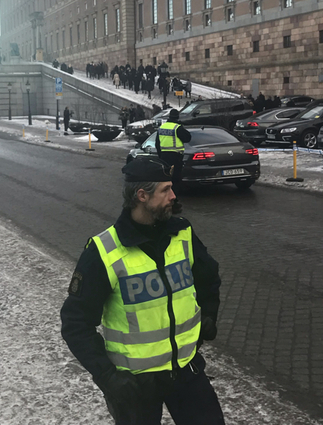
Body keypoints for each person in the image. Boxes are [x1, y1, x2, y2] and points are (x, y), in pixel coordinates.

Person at [60, 156, 224, 425]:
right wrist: (108, 378)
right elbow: (75, 323)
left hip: (186, 370)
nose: (173, 195)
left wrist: (209, 315)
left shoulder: (182, 233)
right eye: (165, 190)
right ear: (142, 196)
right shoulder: (103, 251)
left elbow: (209, 278)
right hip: (135, 384)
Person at [156, 109, 191, 214]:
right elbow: (187, 138)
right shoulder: (177, 128)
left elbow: (157, 144)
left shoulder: (161, 128)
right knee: (175, 180)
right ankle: (173, 203)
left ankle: (163, 201)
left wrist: (161, 156)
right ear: (177, 117)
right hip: (175, 157)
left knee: (165, 180)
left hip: (164, 157)